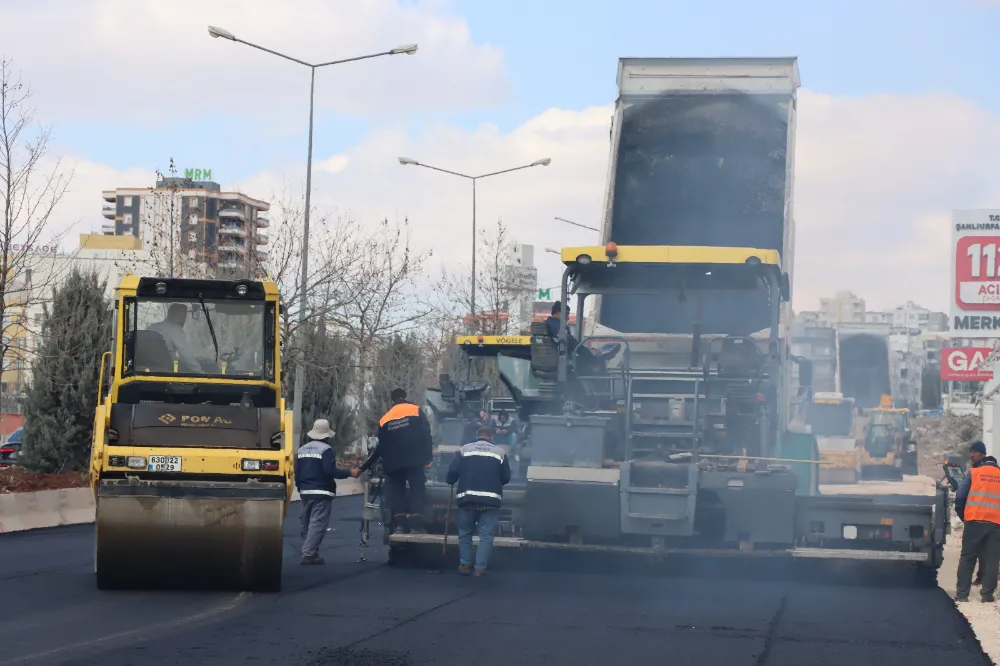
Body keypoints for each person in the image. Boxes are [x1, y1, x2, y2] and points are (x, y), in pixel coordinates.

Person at [360, 388, 434, 535]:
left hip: (393, 463)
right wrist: (428, 458)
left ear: (392, 400)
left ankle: (400, 526)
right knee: (417, 490)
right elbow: (426, 435)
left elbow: (381, 447)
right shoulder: (415, 410)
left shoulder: (385, 418)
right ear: (405, 397)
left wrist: (363, 467)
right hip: (414, 460)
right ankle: (416, 526)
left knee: (397, 493)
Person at [446, 426, 512, 576]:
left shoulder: (464, 450)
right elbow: (506, 478)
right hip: (490, 501)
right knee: (486, 536)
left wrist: (451, 478)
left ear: (477, 436)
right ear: (491, 437)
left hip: (467, 499)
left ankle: (464, 564)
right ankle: (480, 568)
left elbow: (451, 475)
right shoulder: (500, 453)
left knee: (465, 533)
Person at [295, 418, 359, 565]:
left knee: (306, 523)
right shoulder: (326, 450)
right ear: (327, 436)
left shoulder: (302, 450)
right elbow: (330, 471)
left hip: (305, 491)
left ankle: (312, 551)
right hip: (322, 491)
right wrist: (350, 472)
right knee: (317, 523)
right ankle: (309, 554)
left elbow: (297, 472)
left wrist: (300, 490)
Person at [954, 441, 1000, 602]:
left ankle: (962, 595)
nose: (972, 455)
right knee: (992, 559)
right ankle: (987, 596)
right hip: (995, 523)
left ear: (982, 454)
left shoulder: (975, 473)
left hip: (974, 521)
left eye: (974, 452)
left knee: (968, 558)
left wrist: (964, 516)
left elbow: (960, 496)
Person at [147, 303, 201, 372]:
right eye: (183, 315)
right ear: (175, 315)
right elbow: (187, 358)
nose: (184, 319)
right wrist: (201, 373)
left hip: (147, 369)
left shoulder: (152, 327)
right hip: (167, 372)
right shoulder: (176, 330)